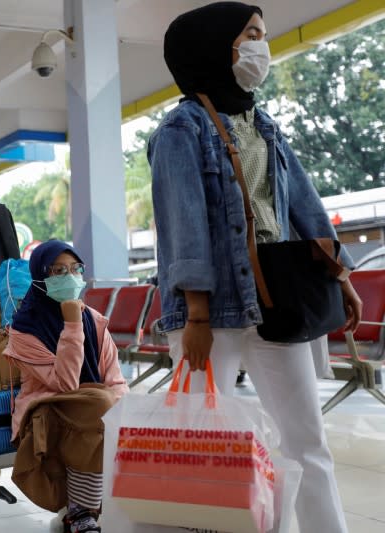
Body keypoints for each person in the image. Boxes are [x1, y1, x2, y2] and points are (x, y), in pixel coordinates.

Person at [150, 4, 362, 532]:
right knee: (203, 448)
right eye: (251, 35)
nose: (259, 48)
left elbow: (304, 205)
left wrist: (341, 273)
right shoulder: (181, 128)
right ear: (215, 45)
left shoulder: (263, 124)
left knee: (306, 439)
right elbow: (184, 225)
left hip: (278, 299)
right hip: (212, 313)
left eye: (261, 37)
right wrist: (196, 314)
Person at [4, 240, 128, 533]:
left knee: (111, 405)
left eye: (75, 270)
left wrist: (124, 419)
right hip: (46, 410)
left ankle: (98, 501)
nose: (69, 278)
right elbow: (65, 384)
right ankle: (79, 512)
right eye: (58, 271)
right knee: (99, 404)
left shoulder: (95, 321)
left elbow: (115, 381)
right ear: (40, 278)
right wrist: (71, 324)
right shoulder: (24, 331)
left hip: (93, 407)